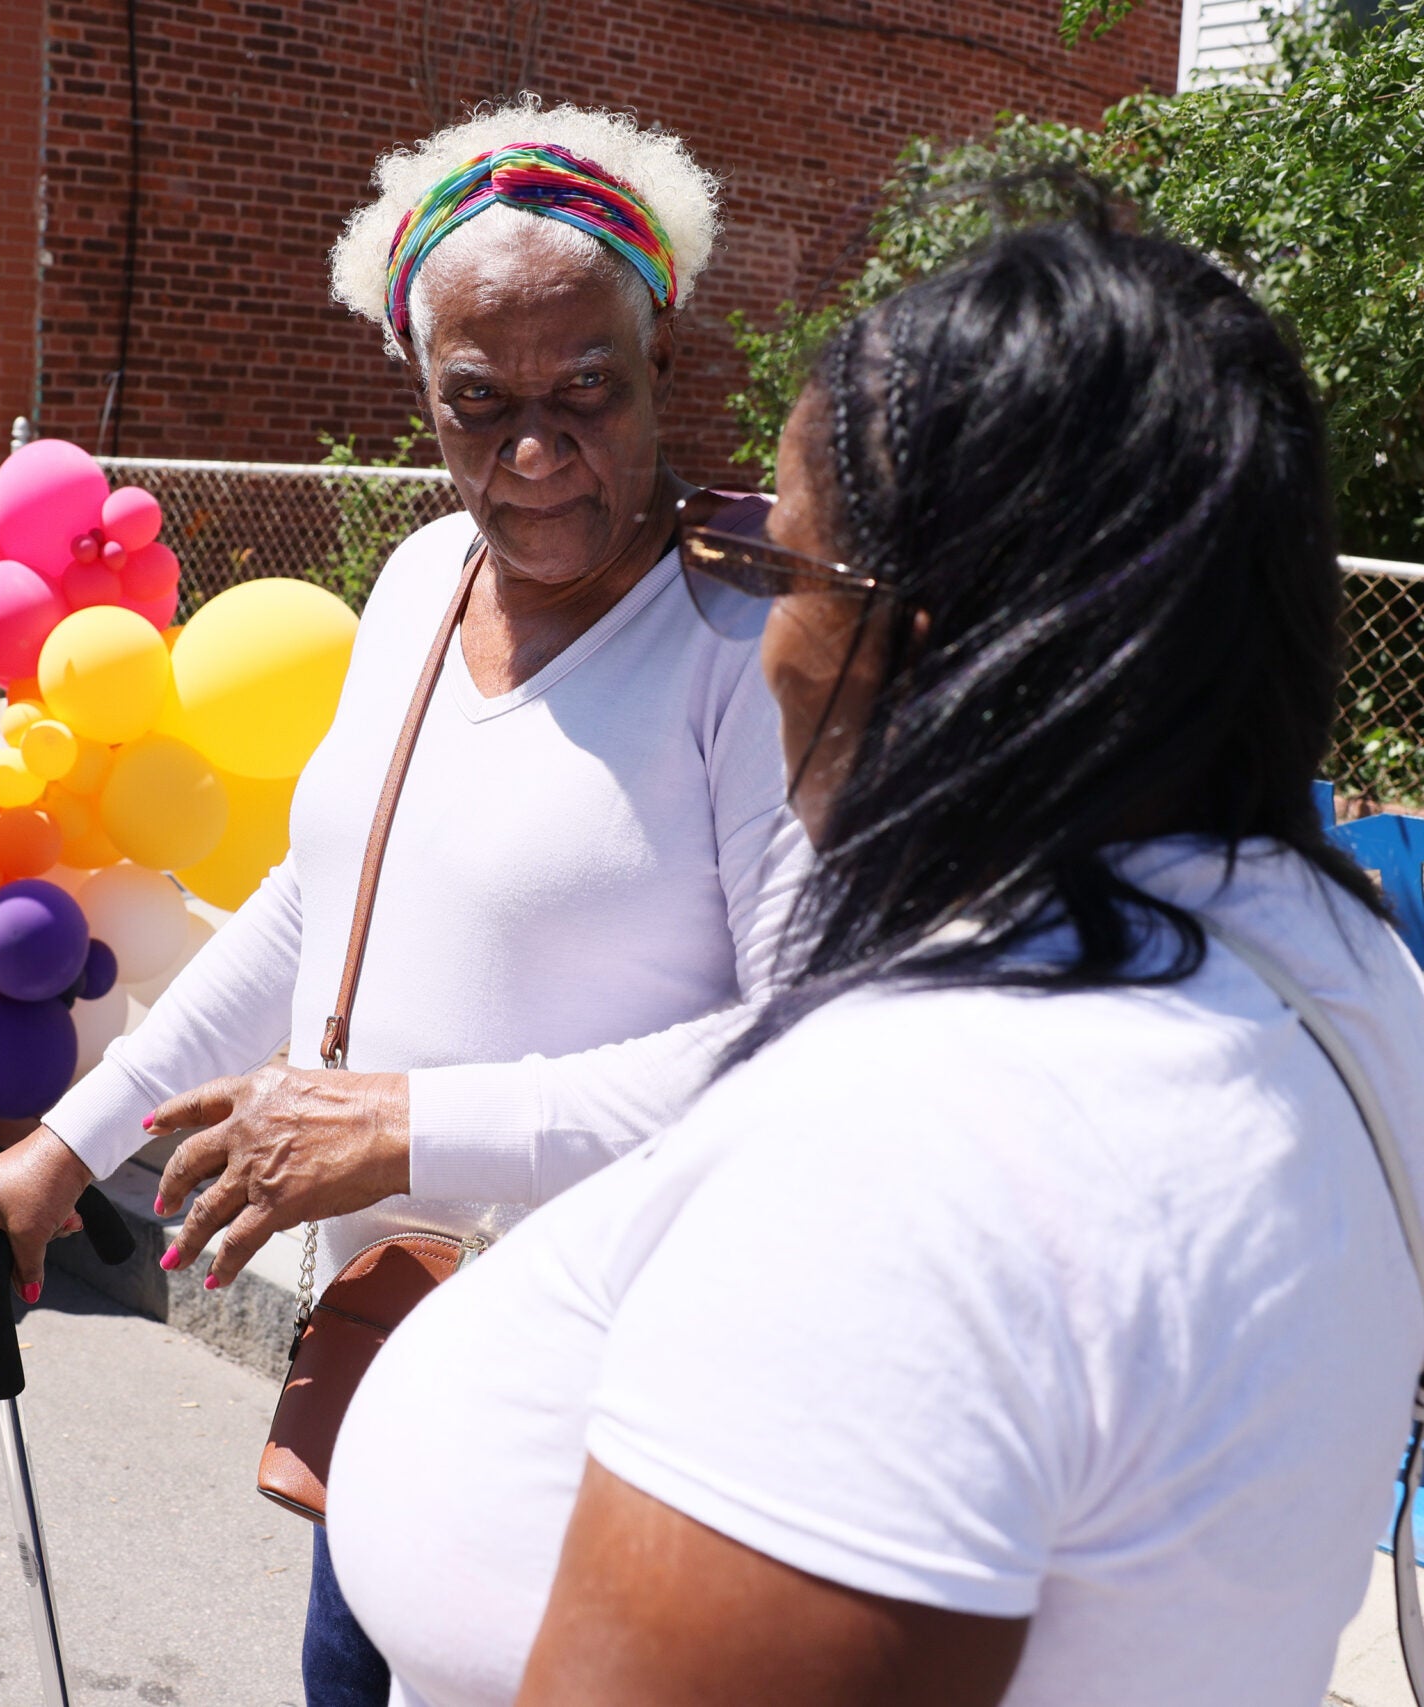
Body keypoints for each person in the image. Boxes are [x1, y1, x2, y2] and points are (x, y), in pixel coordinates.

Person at [324, 217, 1424, 1707]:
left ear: (928, 644)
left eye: (781, 568)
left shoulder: (927, 1146)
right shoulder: (1337, 965)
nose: (763, 634)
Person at [0, 100, 811, 1704]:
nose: (533, 452)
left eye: (586, 392)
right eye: (478, 403)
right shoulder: (425, 577)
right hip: (397, 1372)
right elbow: (306, 906)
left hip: (614, 1424)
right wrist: (75, 1143)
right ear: (421, 388)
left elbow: (798, 1064)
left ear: (666, 355)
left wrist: (405, 1125)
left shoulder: (747, 644)